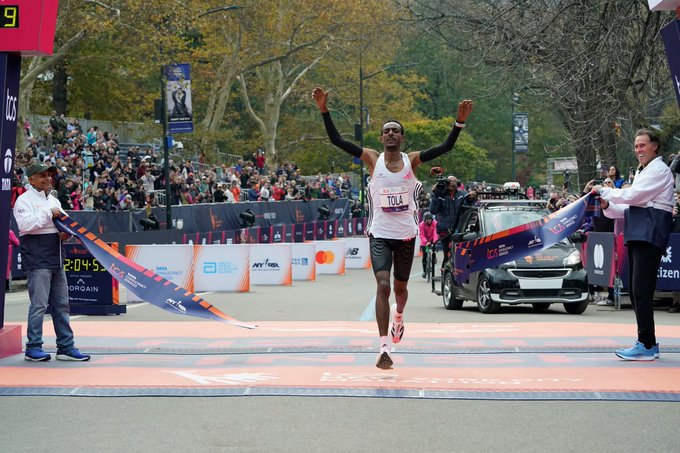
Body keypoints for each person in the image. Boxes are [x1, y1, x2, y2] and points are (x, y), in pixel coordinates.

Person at [312, 86, 473, 369]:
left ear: (402, 137)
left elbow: (445, 147)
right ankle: (383, 347)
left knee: (400, 290)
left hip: (406, 236)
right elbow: (337, 140)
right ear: (380, 137)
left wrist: (459, 122)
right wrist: (324, 109)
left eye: (395, 130)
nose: (390, 134)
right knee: (383, 285)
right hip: (380, 235)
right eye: (386, 130)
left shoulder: (411, 160)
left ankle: (399, 317)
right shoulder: (372, 159)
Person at [592, 129, 674, 361]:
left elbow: (634, 197)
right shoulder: (645, 171)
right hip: (639, 231)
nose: (638, 149)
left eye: (642, 145)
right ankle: (646, 341)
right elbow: (630, 207)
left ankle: (647, 343)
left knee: (642, 291)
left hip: (649, 233)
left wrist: (605, 190)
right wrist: (608, 205)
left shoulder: (659, 170)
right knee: (637, 291)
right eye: (636, 146)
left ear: (654, 146)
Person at [12, 161, 91, 362]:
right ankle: (33, 347)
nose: (48, 178)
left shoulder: (54, 200)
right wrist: (50, 213)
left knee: (62, 305)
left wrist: (66, 234)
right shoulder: (23, 200)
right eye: (42, 175)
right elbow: (26, 225)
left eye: (50, 175)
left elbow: (64, 224)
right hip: (38, 260)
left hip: (57, 258)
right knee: (39, 305)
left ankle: (65, 347)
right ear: (31, 179)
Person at [429, 175, 474, 267]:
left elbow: (470, 206)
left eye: (454, 181)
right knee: (447, 255)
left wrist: (471, 198)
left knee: (461, 255)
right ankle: (445, 276)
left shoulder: (462, 194)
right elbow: (433, 210)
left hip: (460, 230)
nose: (452, 183)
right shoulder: (440, 195)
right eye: (450, 181)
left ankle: (458, 275)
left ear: (458, 183)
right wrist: (435, 195)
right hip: (445, 231)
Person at [418, 212, 437, 278]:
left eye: (429, 219)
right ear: (424, 219)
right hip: (424, 241)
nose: (428, 221)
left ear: (432, 219)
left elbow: (435, 233)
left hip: (432, 239)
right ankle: (424, 271)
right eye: (426, 219)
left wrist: (434, 242)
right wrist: (426, 242)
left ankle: (434, 258)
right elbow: (422, 235)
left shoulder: (435, 223)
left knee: (434, 249)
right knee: (424, 256)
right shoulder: (422, 225)